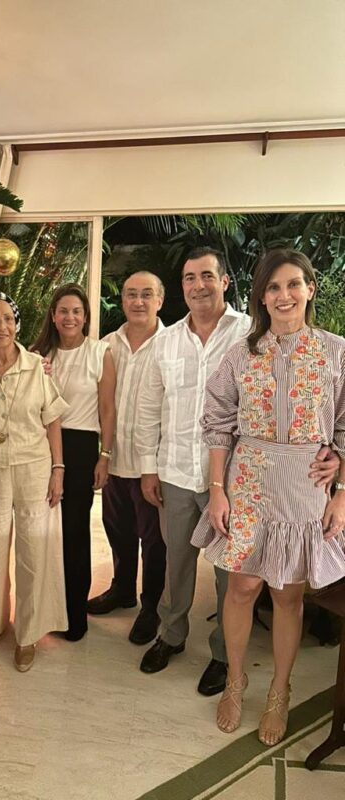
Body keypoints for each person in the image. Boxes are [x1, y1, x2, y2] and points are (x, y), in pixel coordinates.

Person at [136, 246, 338, 695]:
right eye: (189, 278)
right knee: (183, 563)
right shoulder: (190, 344)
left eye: (207, 275)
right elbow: (171, 412)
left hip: (270, 482)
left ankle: (233, 663)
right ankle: (183, 643)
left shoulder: (282, 341)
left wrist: (339, 470)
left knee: (253, 583)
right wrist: (150, 467)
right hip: (201, 473)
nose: (198, 285)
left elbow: (337, 417)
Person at [191, 249, 345, 745]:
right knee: (241, 589)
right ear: (261, 295)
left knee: (288, 593)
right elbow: (217, 423)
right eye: (274, 287)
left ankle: (280, 690)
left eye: (294, 284)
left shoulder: (335, 352)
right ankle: (236, 681)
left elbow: (343, 426)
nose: (284, 296)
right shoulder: (240, 354)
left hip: (307, 484)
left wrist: (340, 489)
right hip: (250, 481)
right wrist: (218, 492)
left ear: (310, 289)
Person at [0, 292, 68, 672]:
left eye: (8, 320)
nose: (2, 327)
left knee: (35, 550)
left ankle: (28, 634)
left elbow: (53, 419)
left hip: (34, 467)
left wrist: (58, 469)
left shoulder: (35, 366)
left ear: (18, 324)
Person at [32, 283, 116, 641]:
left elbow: (108, 409)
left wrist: (105, 455)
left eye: (76, 311)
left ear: (85, 317)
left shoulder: (100, 352)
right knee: (43, 531)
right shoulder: (38, 354)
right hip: (40, 445)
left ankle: (73, 614)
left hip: (81, 447)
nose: (70, 317)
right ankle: (44, 610)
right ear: (53, 315)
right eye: (63, 311)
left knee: (75, 532)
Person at [87, 271, 167, 646]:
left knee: (154, 541)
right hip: (114, 458)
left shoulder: (172, 345)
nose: (138, 301)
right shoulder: (106, 345)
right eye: (131, 295)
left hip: (152, 464)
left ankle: (151, 607)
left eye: (146, 295)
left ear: (160, 301)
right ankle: (122, 589)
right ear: (122, 301)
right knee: (117, 530)